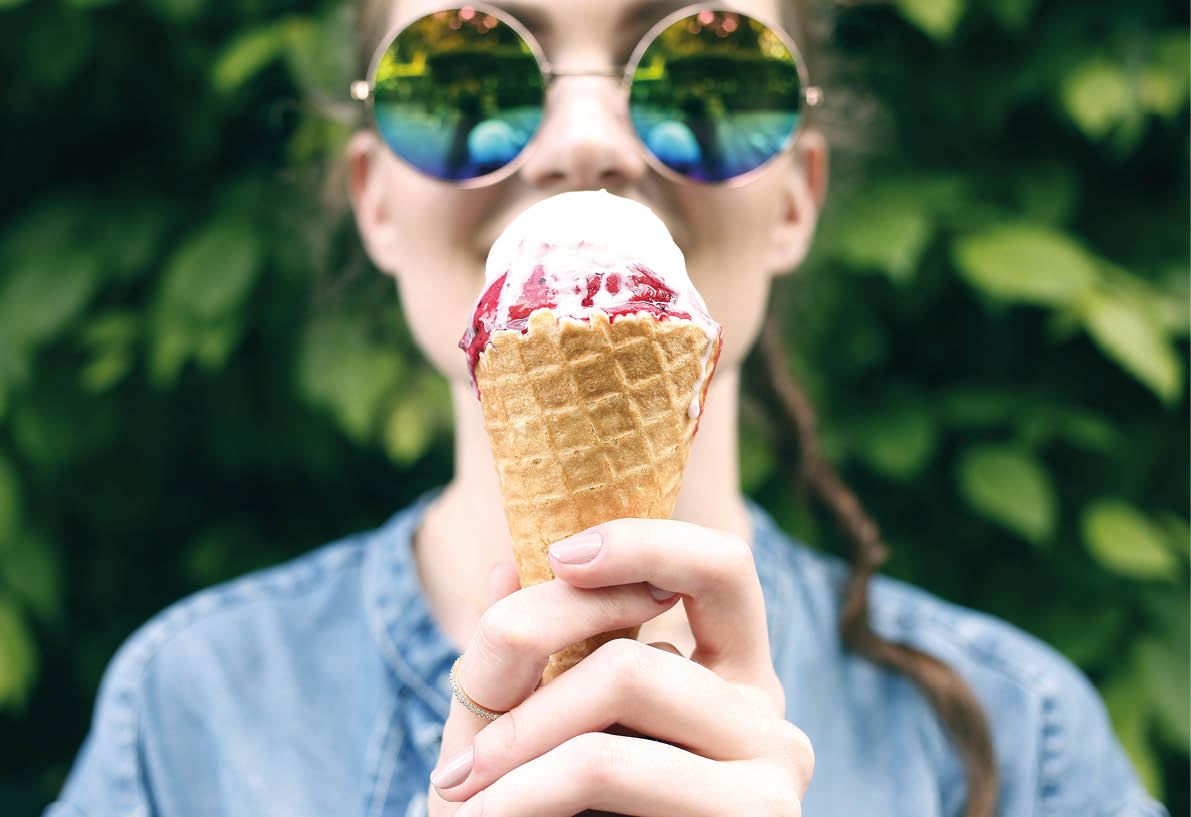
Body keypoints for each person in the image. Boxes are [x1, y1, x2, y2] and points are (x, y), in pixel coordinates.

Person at [45, 1, 1167, 816]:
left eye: (700, 75)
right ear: (376, 200)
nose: (585, 143)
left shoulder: (1017, 738)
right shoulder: (190, 711)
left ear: (798, 197)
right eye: (466, 77)